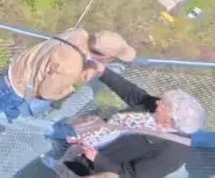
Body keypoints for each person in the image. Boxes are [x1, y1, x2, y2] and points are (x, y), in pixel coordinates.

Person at [0, 29, 136, 146]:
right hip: (19, 84)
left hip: (21, 66)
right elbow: (46, 92)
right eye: (112, 58)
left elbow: (61, 58)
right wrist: (72, 86)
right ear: (104, 56)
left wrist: (85, 66)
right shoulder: (72, 68)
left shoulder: (79, 33)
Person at [42, 68, 206, 178]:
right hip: (91, 143)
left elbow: (132, 175)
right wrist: (104, 72)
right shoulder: (157, 108)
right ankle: (58, 167)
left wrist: (98, 159)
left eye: (163, 105)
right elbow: (132, 93)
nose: (157, 103)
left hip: (95, 168)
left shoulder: (172, 153)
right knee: (67, 160)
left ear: (171, 120)